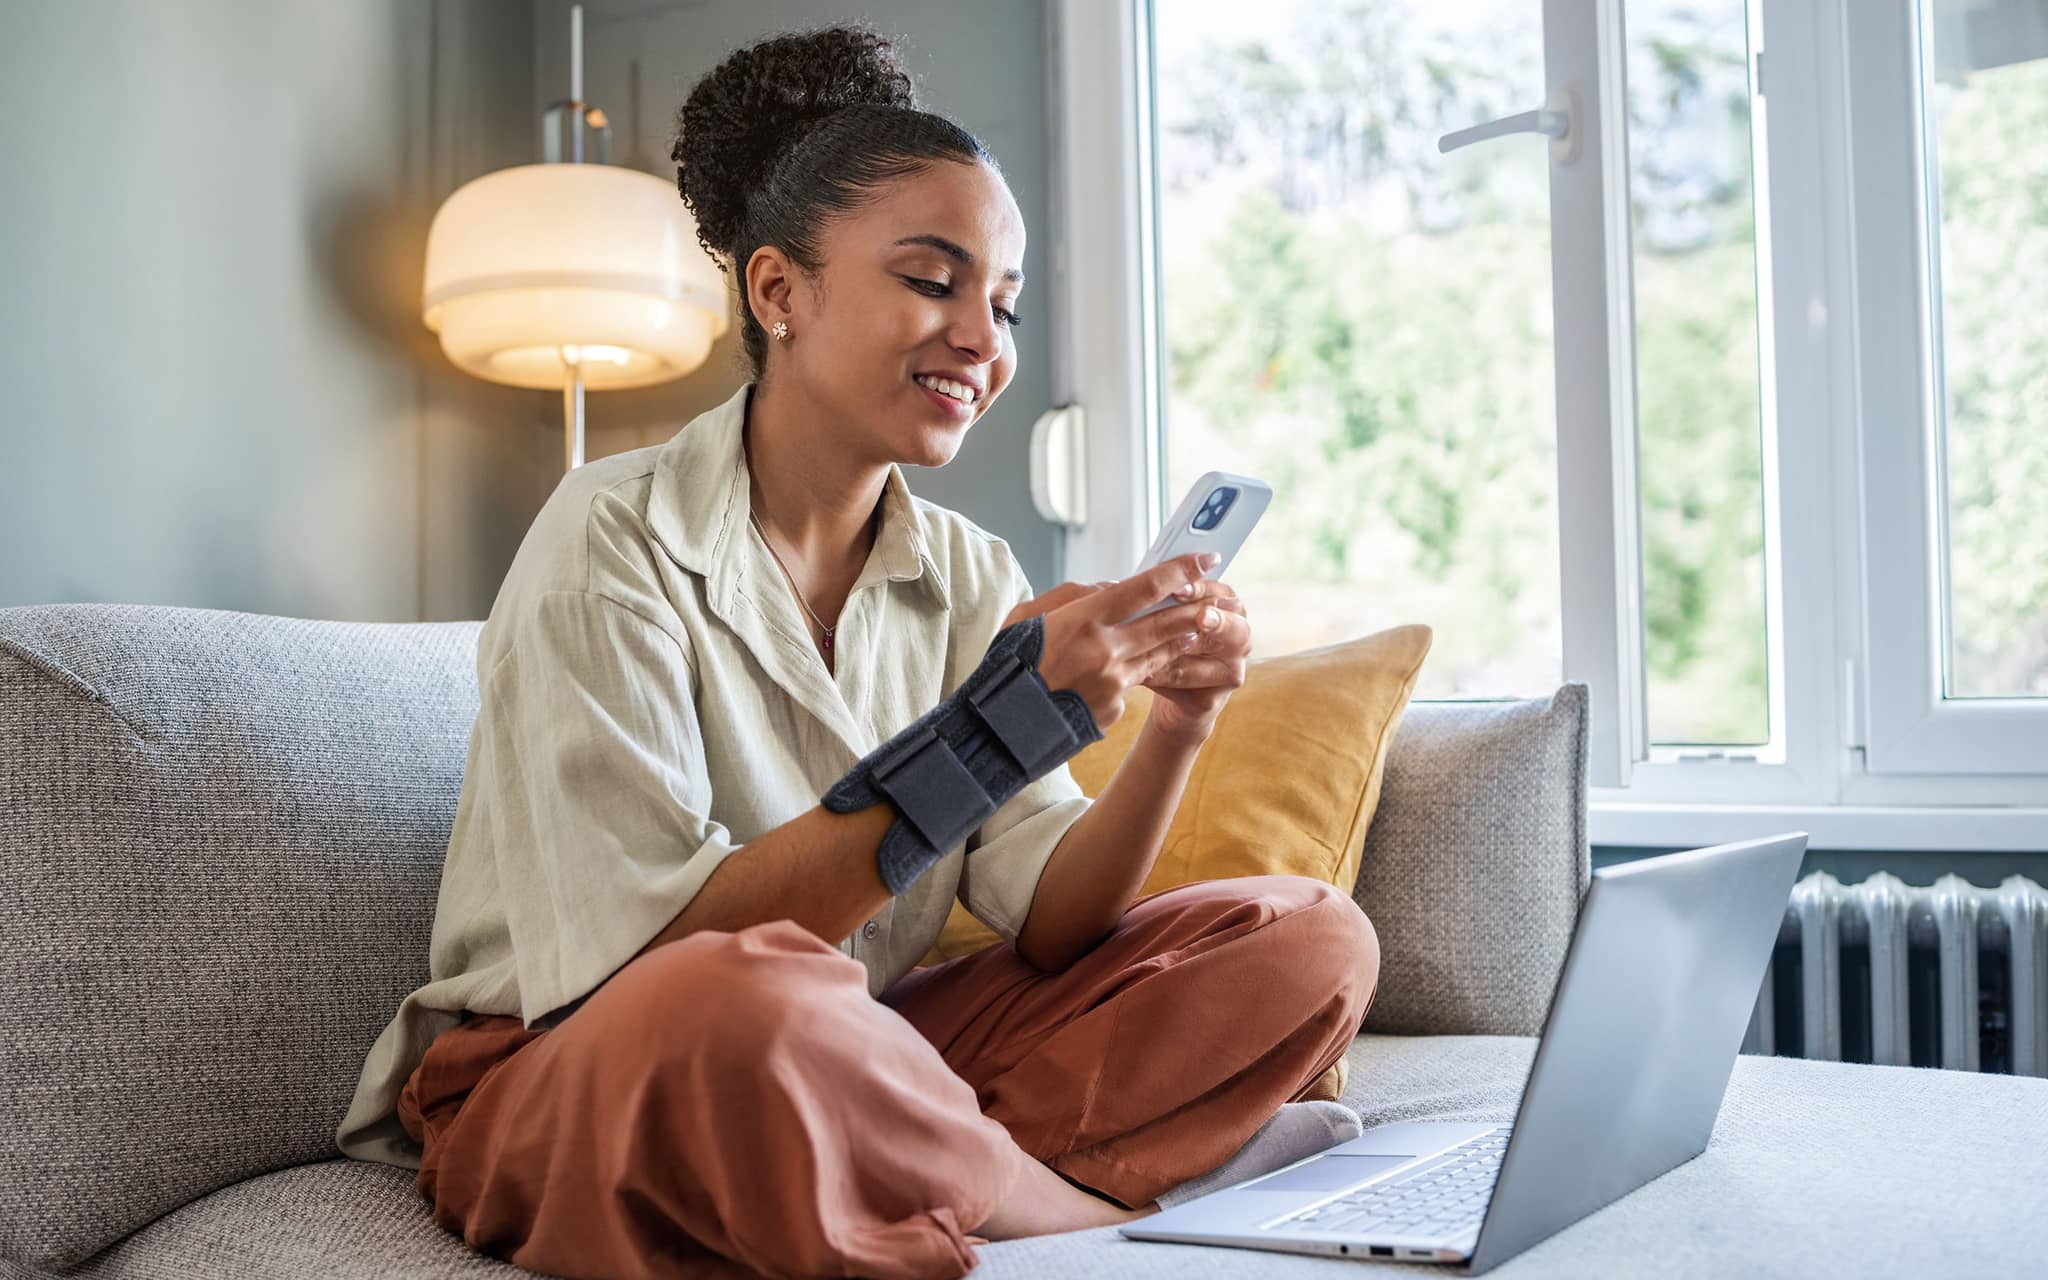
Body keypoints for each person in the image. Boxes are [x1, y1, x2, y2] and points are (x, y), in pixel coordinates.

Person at [332, 22, 1380, 1280]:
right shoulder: (608, 538)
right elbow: (653, 966)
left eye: (1001, 304)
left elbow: (1050, 924)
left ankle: (892, 1160)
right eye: (932, 282)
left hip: (847, 1043)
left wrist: (1173, 726)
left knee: (1308, 933)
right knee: (755, 1001)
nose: (982, 340)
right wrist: (1000, 727)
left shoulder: (968, 571)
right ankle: (1068, 1208)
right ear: (778, 290)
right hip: (586, 1062)